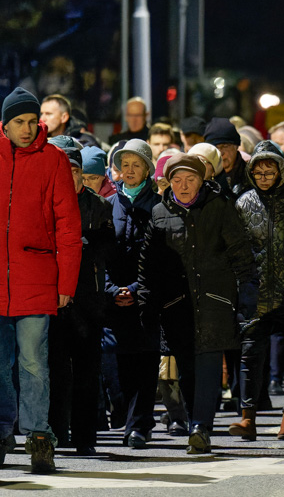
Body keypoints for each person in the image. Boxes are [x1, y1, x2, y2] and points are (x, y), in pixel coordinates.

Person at [138, 154, 257, 454]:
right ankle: (196, 422)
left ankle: (201, 426)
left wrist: (246, 298)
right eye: (177, 180)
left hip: (215, 300)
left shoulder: (220, 207)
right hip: (176, 305)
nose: (183, 185)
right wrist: (147, 300)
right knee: (188, 369)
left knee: (208, 364)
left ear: (203, 180)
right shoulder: (158, 213)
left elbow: (241, 254)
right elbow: (147, 263)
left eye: (190, 179)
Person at [0, 88, 82, 473]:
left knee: (33, 364)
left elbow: (68, 226)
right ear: (6, 124)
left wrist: (67, 282)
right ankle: (2, 433)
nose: (29, 129)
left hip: (36, 277)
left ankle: (38, 439)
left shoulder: (54, 160)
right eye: (20, 122)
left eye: (33, 121)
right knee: (0, 365)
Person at [232, 141, 284, 441]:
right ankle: (247, 417)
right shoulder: (243, 202)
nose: (264, 176)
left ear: (281, 170)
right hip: (256, 291)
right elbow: (237, 248)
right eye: (258, 172)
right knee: (250, 354)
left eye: (270, 171)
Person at [46, 139, 113, 456]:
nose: (69, 176)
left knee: (87, 372)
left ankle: (86, 436)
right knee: (56, 373)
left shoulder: (99, 206)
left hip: (88, 300)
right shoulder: (44, 203)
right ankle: (57, 432)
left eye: (74, 170)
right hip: (51, 300)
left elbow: (106, 250)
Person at [104, 139, 162, 449]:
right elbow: (102, 256)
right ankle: (131, 420)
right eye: (124, 165)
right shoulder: (108, 205)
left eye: (135, 165)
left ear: (147, 170)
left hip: (147, 295)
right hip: (116, 296)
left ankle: (141, 424)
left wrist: (137, 289)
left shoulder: (159, 206)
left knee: (147, 359)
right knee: (123, 360)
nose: (129, 170)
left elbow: (160, 257)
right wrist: (113, 290)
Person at [205, 117, 249, 197]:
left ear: (236, 146)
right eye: (215, 148)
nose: (220, 152)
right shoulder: (205, 178)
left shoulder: (250, 175)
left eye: (225, 146)